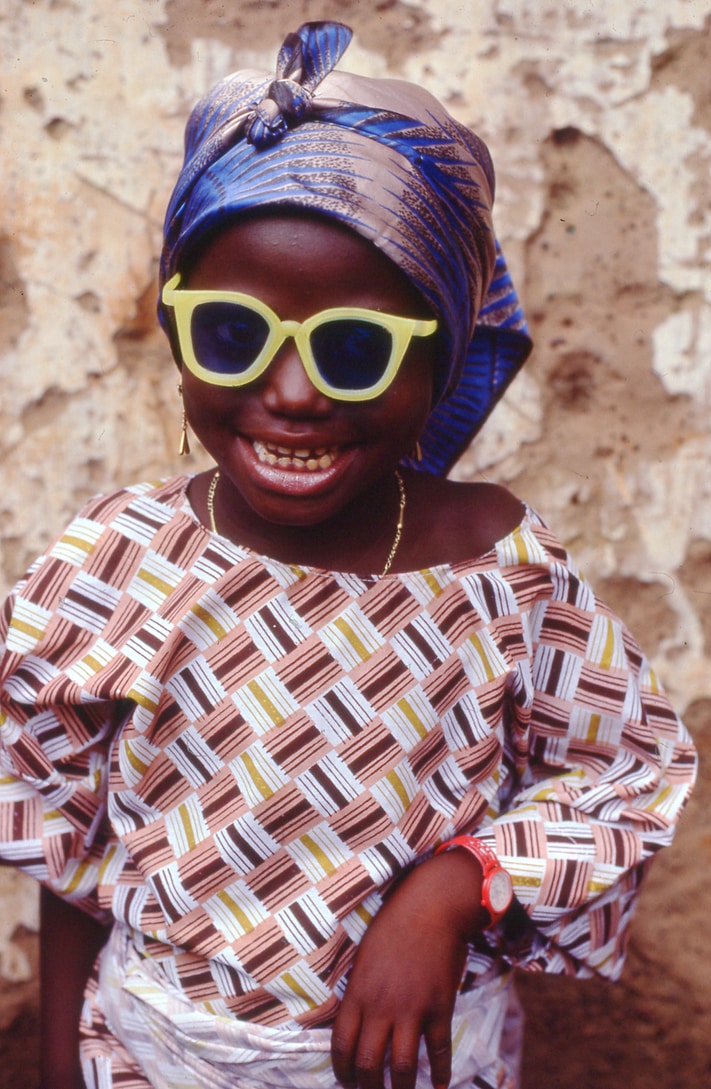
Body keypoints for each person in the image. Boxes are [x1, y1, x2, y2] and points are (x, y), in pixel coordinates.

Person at [0, 20, 697, 1089]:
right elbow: (66, 851)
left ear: (440, 356)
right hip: (149, 1064)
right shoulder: (114, 563)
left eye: (357, 348)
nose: (292, 394)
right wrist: (54, 1068)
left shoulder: (498, 571)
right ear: (177, 333)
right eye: (235, 334)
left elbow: (623, 771)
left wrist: (461, 883)